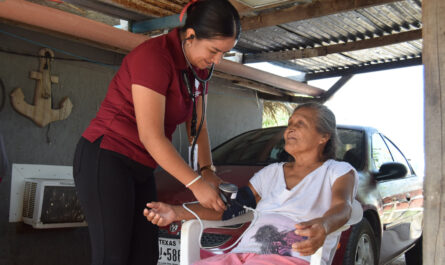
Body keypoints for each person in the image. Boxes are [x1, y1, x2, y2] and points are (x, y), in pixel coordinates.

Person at [72, 1, 241, 264]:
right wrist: (196, 185)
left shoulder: (198, 70)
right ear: (191, 35)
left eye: (225, 53)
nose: (217, 60)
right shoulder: (153, 57)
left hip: (142, 166)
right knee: (113, 256)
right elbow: (150, 136)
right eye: (214, 50)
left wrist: (207, 171)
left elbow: (198, 125)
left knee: (146, 255)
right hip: (107, 157)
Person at [144, 103, 359, 265]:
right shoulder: (271, 173)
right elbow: (232, 210)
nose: (290, 130)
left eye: (300, 124)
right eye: (290, 123)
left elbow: (343, 207)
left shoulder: (336, 171)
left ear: (324, 137)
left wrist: (324, 225)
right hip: (242, 254)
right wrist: (176, 212)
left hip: (289, 257)